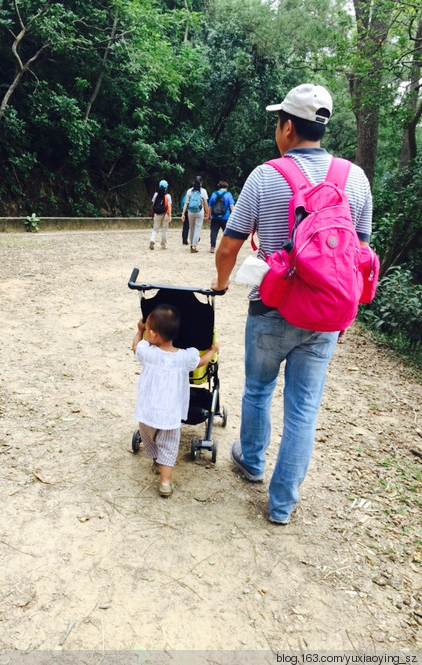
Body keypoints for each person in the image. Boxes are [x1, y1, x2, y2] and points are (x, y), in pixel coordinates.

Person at [212, 83, 372, 525]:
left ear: (286, 127)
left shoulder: (266, 175)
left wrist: (223, 283)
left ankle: (252, 461)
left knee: (259, 388)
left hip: (271, 306)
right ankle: (282, 504)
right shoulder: (354, 178)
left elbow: (229, 247)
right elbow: (360, 255)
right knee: (303, 406)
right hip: (326, 314)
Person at [132, 304, 219, 496]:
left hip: (147, 412)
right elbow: (201, 361)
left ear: (153, 335)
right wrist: (212, 351)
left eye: (147, 330)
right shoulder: (184, 357)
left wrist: (138, 331)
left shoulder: (148, 352)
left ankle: (155, 460)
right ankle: (165, 482)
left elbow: (135, 347)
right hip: (170, 414)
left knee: (148, 436)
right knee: (169, 445)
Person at [181, 176, 209, 253]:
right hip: (199, 212)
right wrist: (207, 213)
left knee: (192, 228)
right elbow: (205, 204)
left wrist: (183, 213)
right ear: (201, 183)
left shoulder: (189, 191)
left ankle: (191, 244)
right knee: (197, 229)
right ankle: (194, 245)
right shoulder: (203, 191)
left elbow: (186, 203)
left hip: (190, 212)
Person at [208, 181, 235, 253]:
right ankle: (227, 247)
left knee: (213, 232)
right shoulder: (228, 194)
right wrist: (234, 216)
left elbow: (210, 206)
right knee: (226, 233)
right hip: (225, 217)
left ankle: (212, 247)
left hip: (214, 217)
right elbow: (231, 206)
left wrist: (208, 215)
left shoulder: (214, 194)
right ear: (226, 187)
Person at [150, 180, 172, 250]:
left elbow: (153, 204)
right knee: (164, 230)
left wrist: (153, 212)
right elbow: (169, 206)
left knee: (155, 229)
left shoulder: (156, 194)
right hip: (165, 214)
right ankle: (163, 244)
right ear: (166, 187)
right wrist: (170, 216)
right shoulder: (168, 196)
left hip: (157, 213)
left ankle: (152, 239)